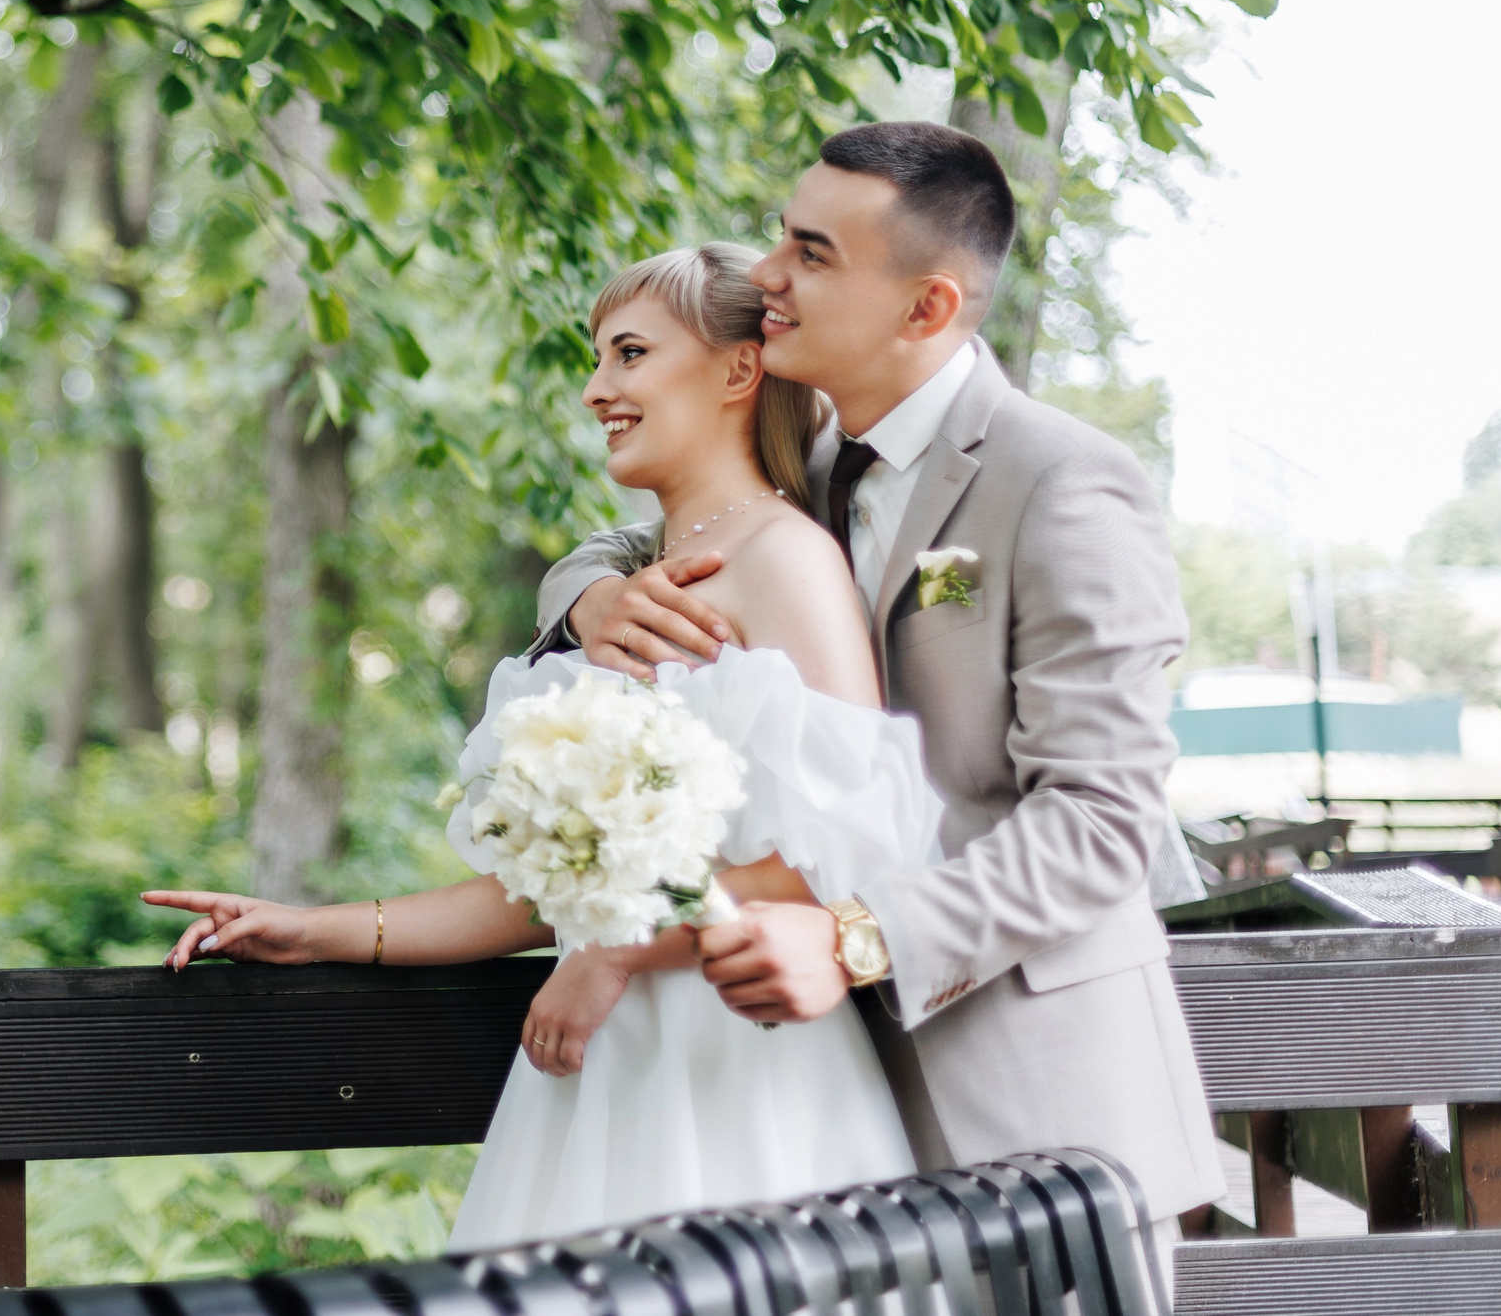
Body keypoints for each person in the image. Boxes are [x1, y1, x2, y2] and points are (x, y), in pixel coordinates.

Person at [144, 241, 947, 1249]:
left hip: (741, 1067)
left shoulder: (789, 560)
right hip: (595, 1076)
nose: (592, 390)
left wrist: (615, 953)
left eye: (627, 355)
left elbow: (830, 863)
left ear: (738, 371)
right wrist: (314, 930)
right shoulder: (625, 593)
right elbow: (549, 900)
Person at [534, 122, 1223, 1247]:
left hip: (1040, 1116)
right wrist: (585, 600)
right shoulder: (812, 469)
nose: (765, 277)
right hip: (837, 1105)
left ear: (926, 309)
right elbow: (644, 540)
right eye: (778, 240)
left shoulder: (1063, 484)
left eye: (810, 253)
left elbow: (1101, 828)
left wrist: (855, 937)